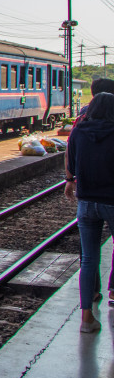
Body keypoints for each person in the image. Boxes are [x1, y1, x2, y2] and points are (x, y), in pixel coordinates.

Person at [66, 92, 114, 333]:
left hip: (85, 202)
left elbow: (71, 165)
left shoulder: (78, 131)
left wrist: (70, 180)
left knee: (88, 259)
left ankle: (86, 318)